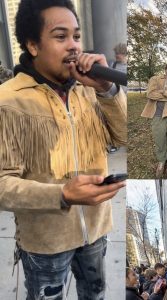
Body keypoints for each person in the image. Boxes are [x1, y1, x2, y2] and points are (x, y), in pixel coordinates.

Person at [0, 1, 127, 299]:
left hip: (96, 228)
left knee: (95, 294)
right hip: (46, 242)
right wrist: (61, 194)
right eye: (60, 37)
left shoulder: (88, 88)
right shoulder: (9, 100)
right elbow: (3, 183)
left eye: (77, 36)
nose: (73, 46)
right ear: (33, 45)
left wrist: (106, 90)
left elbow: (122, 137)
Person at [141, 63, 167, 177]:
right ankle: (161, 160)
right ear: (165, 69)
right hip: (157, 114)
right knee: (159, 138)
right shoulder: (155, 79)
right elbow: (150, 94)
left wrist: (163, 92)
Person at [108, 42, 127, 153]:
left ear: (123, 53)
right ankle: (115, 143)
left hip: (126, 97)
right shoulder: (113, 65)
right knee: (114, 121)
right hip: (115, 97)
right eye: (115, 53)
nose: (115, 55)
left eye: (117, 53)